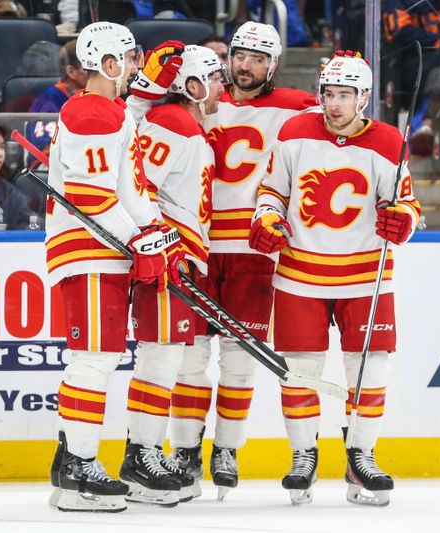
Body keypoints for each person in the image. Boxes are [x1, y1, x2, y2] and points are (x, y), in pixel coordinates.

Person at [249, 50, 420, 506]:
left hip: (366, 277)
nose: (334, 104)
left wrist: (403, 219)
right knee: (299, 371)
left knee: (369, 368)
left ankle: (361, 455)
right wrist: (266, 218)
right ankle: (304, 455)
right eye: (329, 93)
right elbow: (273, 191)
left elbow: (406, 203)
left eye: (345, 95)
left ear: (363, 97)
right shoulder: (294, 132)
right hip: (300, 275)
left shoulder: (387, 142)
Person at [162, 22, 319, 501]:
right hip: (197, 246)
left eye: (256, 58)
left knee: (239, 359)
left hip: (254, 251)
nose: (244, 66)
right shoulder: (200, 99)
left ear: (273, 64)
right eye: (238, 56)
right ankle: (185, 449)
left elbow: (342, 133)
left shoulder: (297, 108)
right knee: (189, 358)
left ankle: (227, 448)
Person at [44, 21, 174, 514]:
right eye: (129, 57)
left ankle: (68, 470)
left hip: (105, 249)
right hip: (87, 249)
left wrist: (158, 237)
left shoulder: (112, 112)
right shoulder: (93, 112)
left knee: (98, 358)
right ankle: (79, 468)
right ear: (110, 64)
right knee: (94, 359)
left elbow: (127, 191)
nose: (137, 66)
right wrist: (140, 239)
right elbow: (90, 198)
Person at [122, 44, 227, 506]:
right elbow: (135, 183)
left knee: (167, 356)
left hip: (180, 256)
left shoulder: (190, 125)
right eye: (216, 77)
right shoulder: (172, 122)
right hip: (167, 258)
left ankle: (144, 453)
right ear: (193, 85)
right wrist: (161, 242)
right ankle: (141, 457)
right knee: (159, 355)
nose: (224, 85)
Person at [24, 39, 88, 170]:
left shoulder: (98, 96)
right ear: (71, 72)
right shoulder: (49, 100)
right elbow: (43, 155)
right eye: (89, 65)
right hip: (51, 172)